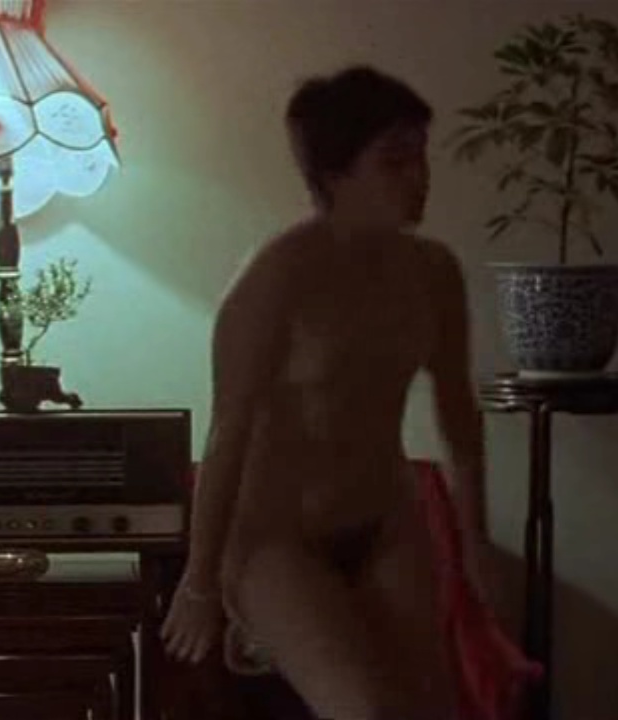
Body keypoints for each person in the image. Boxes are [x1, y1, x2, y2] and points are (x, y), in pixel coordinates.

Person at [160, 66, 494, 720]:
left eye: (421, 157)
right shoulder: (276, 280)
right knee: (366, 710)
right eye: (395, 161)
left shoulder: (434, 272)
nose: (419, 178)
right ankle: (258, 630)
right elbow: (227, 432)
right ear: (337, 174)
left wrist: (475, 547)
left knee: (432, 710)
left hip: (386, 522)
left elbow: (458, 412)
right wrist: (199, 583)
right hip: (276, 539)